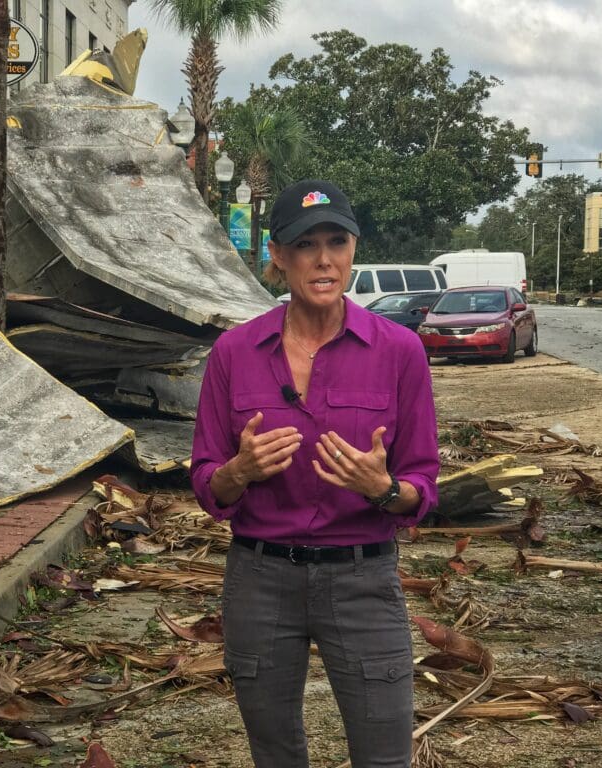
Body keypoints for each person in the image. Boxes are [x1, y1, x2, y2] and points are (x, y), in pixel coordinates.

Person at [191, 180, 439, 768]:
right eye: (305, 244)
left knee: (384, 753)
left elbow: (423, 489)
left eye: (337, 241)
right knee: (275, 753)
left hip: (363, 581)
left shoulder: (399, 351)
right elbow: (206, 482)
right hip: (260, 580)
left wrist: (382, 489)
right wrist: (239, 470)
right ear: (277, 255)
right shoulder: (234, 352)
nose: (323, 259)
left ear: (353, 250)